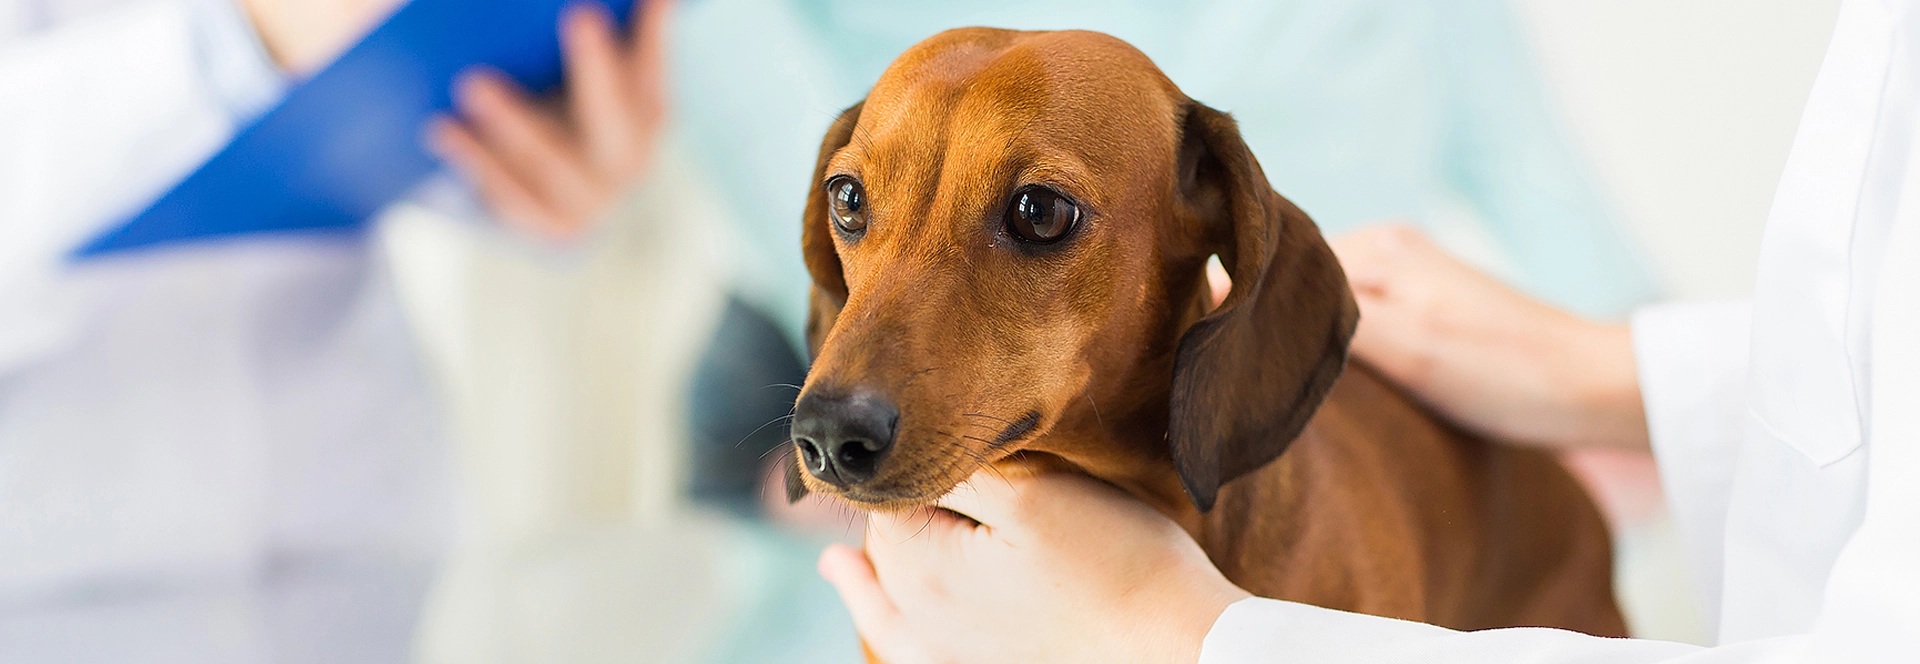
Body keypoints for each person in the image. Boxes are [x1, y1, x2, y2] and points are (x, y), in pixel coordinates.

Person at [816, 0, 1920, 661]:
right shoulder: (923, 571)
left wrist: (1189, 634)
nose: (836, 409)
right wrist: (1617, 374)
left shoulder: (1332, 566)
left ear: (1214, 233)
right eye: (855, 202)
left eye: (1036, 216)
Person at [0, 0, 668, 659]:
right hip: (54, 586)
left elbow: (372, 131)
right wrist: (241, 42)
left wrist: (543, 153)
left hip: (364, 552)